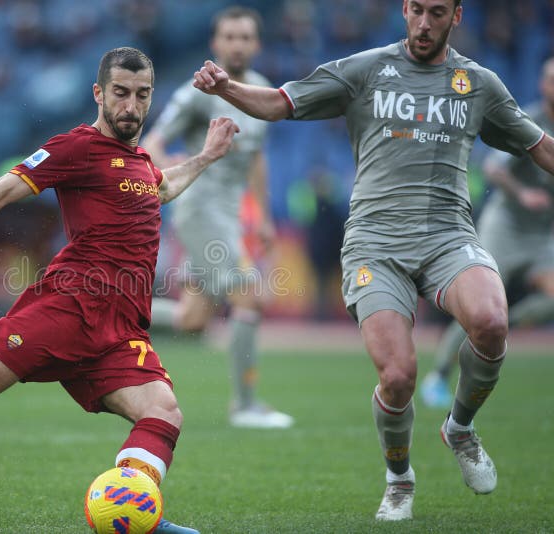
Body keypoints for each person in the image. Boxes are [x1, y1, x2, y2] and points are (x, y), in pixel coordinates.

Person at [193, 0, 554, 521]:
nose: (424, 24)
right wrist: (227, 87)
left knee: (493, 322)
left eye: (437, 13)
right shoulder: (365, 70)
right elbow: (278, 102)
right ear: (404, 11)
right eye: (417, 12)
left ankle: (459, 428)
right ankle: (399, 477)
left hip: (448, 236)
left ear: (457, 16)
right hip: (375, 244)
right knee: (398, 376)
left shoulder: (478, 84)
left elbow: (538, 144)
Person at [0, 47, 238, 534]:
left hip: (119, 326)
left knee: (163, 413)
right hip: (68, 307)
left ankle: (136, 514)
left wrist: (207, 157)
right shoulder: (74, 149)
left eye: (142, 95)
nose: (131, 106)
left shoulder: (140, 161)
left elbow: (162, 187)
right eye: (121, 94)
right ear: (98, 94)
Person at [143, 6, 293, 430]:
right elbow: (153, 141)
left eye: (245, 37)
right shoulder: (196, 93)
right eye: (229, 36)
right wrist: (167, 165)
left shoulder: (262, 90)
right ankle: (245, 405)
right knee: (251, 295)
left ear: (257, 44)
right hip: (200, 210)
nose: (237, 44)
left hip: (229, 215)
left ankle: (102, 307)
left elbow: (256, 158)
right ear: (215, 43)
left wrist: (262, 215)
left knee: (193, 319)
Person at [421, 57, 554, 408]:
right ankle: (437, 375)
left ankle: (509, 321)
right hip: (506, 228)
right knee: (478, 306)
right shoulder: (530, 121)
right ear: (543, 85)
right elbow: (493, 168)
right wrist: (522, 193)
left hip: (541, 236)